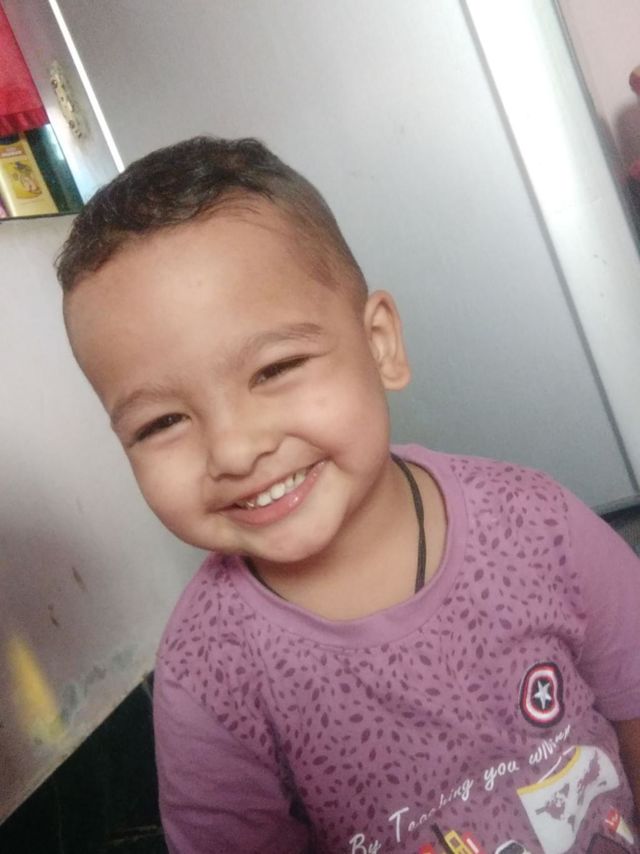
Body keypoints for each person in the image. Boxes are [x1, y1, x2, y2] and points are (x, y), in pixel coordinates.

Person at [57, 136, 640, 854]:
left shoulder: (534, 522)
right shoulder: (212, 673)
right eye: (162, 423)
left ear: (380, 344)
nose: (234, 450)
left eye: (274, 369)